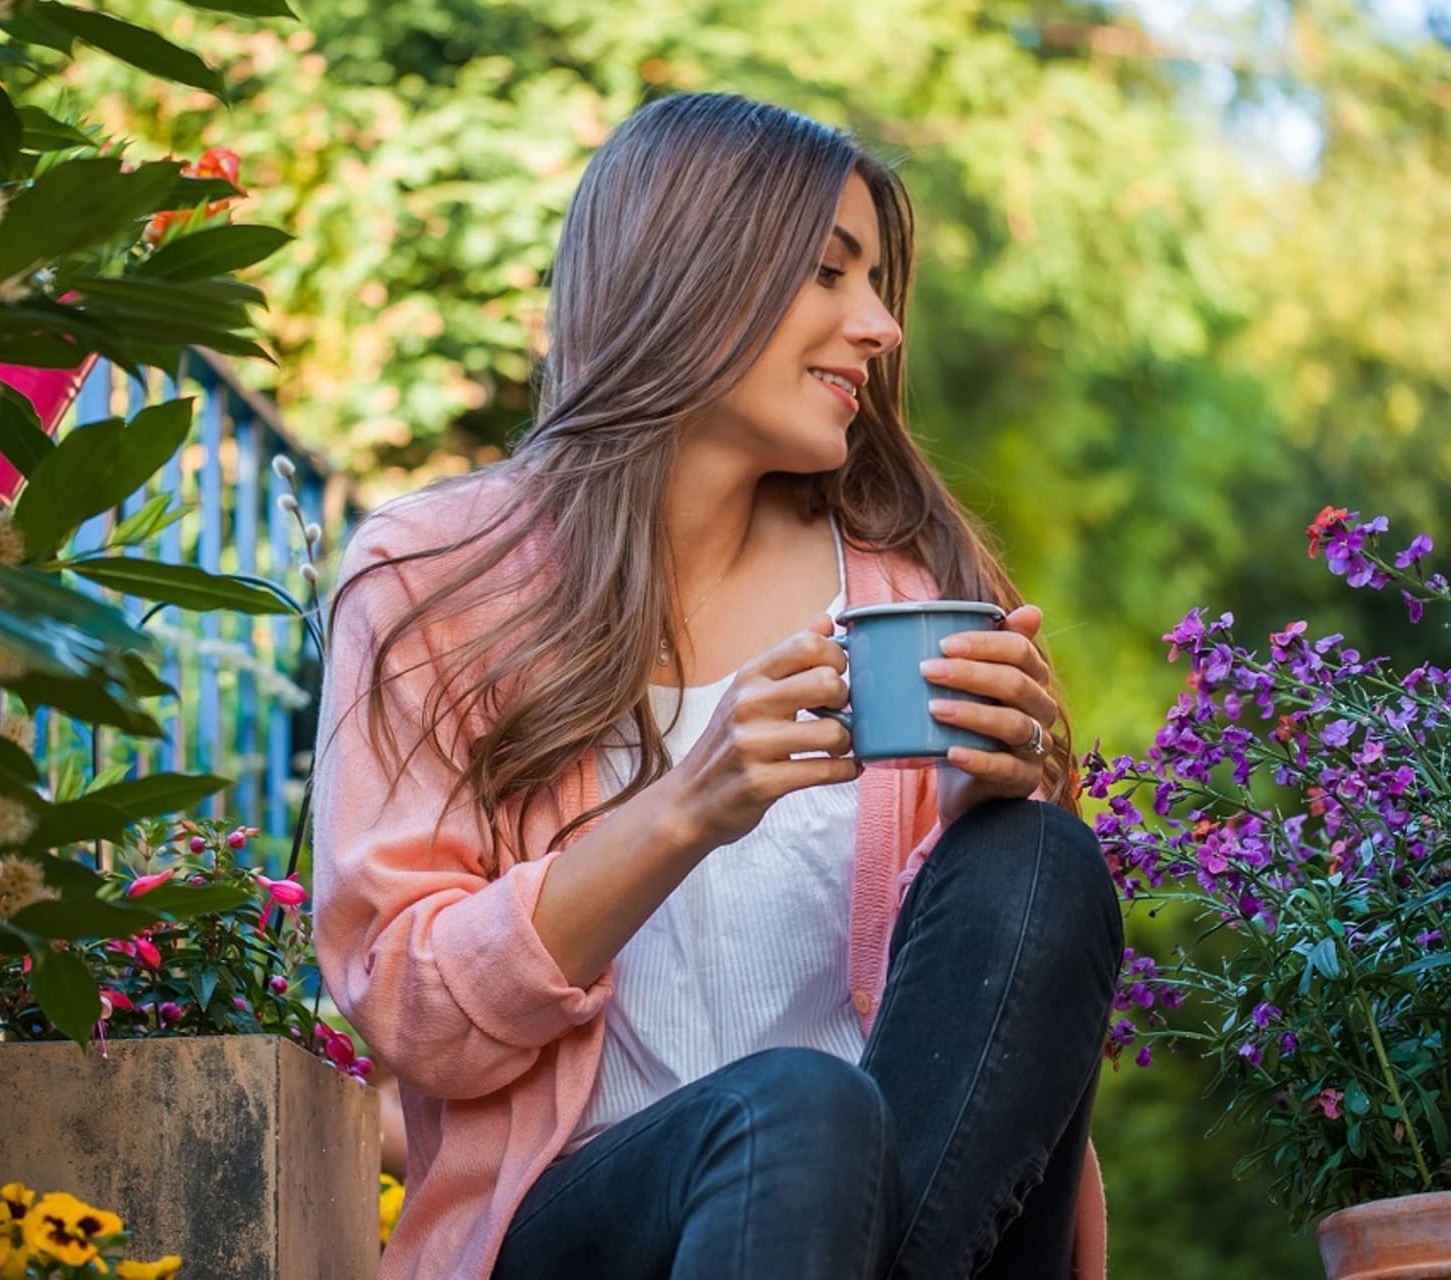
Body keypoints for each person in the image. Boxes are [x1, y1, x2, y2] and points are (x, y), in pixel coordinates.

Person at [312, 92, 1123, 1280]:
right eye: (829, 274)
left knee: (1034, 862)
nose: (881, 325)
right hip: (586, 1227)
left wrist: (986, 809)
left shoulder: (914, 594)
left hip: (895, 1226)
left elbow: (998, 1084)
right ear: (691, 268)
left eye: (879, 285)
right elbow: (412, 1010)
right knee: (792, 1106)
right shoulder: (435, 578)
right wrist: (684, 808)